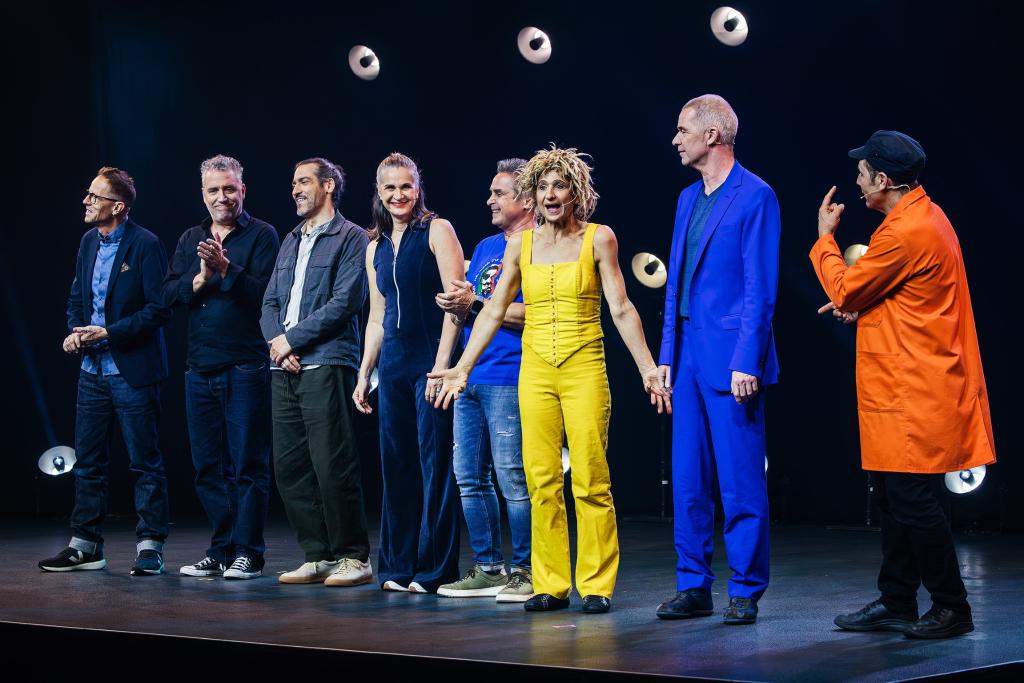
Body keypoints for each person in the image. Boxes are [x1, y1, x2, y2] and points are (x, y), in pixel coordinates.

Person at [431, 146, 670, 614]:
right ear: (533, 195)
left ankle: (596, 585)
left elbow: (621, 308)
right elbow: (493, 310)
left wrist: (647, 367)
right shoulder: (520, 245)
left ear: (575, 192)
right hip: (535, 369)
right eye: (542, 187)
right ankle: (550, 583)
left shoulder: (599, 238)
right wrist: (462, 367)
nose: (550, 195)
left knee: (591, 478)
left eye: (559, 186)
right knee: (541, 479)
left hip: (584, 365)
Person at [813, 130, 996, 639]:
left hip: (914, 386)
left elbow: (845, 287)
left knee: (912, 498)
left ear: (883, 180)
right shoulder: (923, 217)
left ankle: (952, 607)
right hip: (906, 379)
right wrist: (865, 308)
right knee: (895, 497)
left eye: (862, 173)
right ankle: (897, 598)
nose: (856, 181)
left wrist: (825, 239)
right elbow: (910, 296)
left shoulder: (905, 231)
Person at [655, 94, 781, 625]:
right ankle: (693, 585)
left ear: (711, 135)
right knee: (688, 477)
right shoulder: (687, 197)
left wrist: (748, 359)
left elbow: (760, 287)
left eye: (682, 130)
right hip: (686, 354)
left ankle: (746, 588)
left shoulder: (756, 195)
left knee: (739, 478)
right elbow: (675, 283)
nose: (675, 139)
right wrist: (666, 355)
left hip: (731, 357)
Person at [40, 167, 172, 576]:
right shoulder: (87, 243)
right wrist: (75, 333)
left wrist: (109, 333)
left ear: (118, 206)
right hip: (92, 372)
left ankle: (150, 546)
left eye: (94, 196)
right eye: (88, 194)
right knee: (89, 462)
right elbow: (77, 299)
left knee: (145, 462)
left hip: (131, 371)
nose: (86, 201)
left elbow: (159, 309)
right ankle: (86, 545)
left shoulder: (146, 244)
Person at [352, 152, 465, 594]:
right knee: (396, 464)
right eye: (390, 187)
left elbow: (456, 305)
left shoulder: (438, 230)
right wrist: (365, 372)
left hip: (431, 362)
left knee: (435, 465)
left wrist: (442, 366)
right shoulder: (374, 248)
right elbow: (377, 316)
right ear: (379, 192)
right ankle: (398, 566)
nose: (398, 195)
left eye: (406, 186)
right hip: (394, 367)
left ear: (417, 189)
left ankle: (435, 569)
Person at [164, 155, 280, 580]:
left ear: (242, 190)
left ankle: (249, 552)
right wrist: (200, 277)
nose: (222, 197)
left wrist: (226, 268)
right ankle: (221, 548)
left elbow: (267, 295)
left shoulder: (263, 235)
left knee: (248, 465)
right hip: (199, 368)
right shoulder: (190, 237)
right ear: (203, 194)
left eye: (229, 188)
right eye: (213, 190)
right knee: (208, 468)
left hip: (245, 366)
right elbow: (168, 294)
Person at [260, 158, 373, 587]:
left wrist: (292, 340)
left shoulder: (352, 236)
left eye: (304, 181)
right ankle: (318, 554)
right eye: (293, 183)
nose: (295, 189)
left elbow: (345, 301)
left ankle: (353, 556)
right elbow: (270, 302)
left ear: (328, 186)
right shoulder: (291, 239)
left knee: (332, 463)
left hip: (326, 360)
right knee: (289, 466)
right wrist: (278, 342)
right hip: (283, 364)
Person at [433, 159, 534, 602]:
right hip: (470, 375)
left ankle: (527, 571)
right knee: (469, 477)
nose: (489, 200)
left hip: (510, 375)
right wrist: (449, 360)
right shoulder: (487, 245)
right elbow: (471, 307)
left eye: (499, 193)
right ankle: (490, 568)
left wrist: (474, 303)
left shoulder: (539, 245)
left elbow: (532, 313)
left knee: (513, 477)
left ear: (526, 199)